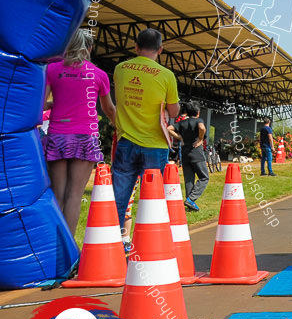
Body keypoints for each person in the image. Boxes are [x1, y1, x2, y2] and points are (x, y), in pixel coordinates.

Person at [43, 29, 117, 237]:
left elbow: (40, 105)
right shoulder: (99, 75)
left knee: (57, 194)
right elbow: (109, 109)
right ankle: (68, 251)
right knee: (75, 195)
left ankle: (51, 246)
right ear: (90, 48)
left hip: (58, 136)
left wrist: (57, 103)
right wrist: (117, 126)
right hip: (86, 136)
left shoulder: (52, 70)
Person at [111, 28, 179, 236]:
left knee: (118, 199)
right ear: (160, 50)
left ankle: (113, 242)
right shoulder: (167, 76)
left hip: (126, 143)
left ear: (136, 46)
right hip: (155, 146)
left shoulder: (120, 69)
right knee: (152, 199)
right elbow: (173, 111)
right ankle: (149, 242)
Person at [167, 102, 208, 212]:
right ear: (198, 113)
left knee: (189, 180)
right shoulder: (199, 121)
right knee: (204, 177)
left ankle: (190, 204)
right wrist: (200, 139)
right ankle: (191, 199)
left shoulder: (182, 122)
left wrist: (179, 137)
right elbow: (202, 128)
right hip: (196, 153)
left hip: (185, 154)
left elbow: (168, 129)